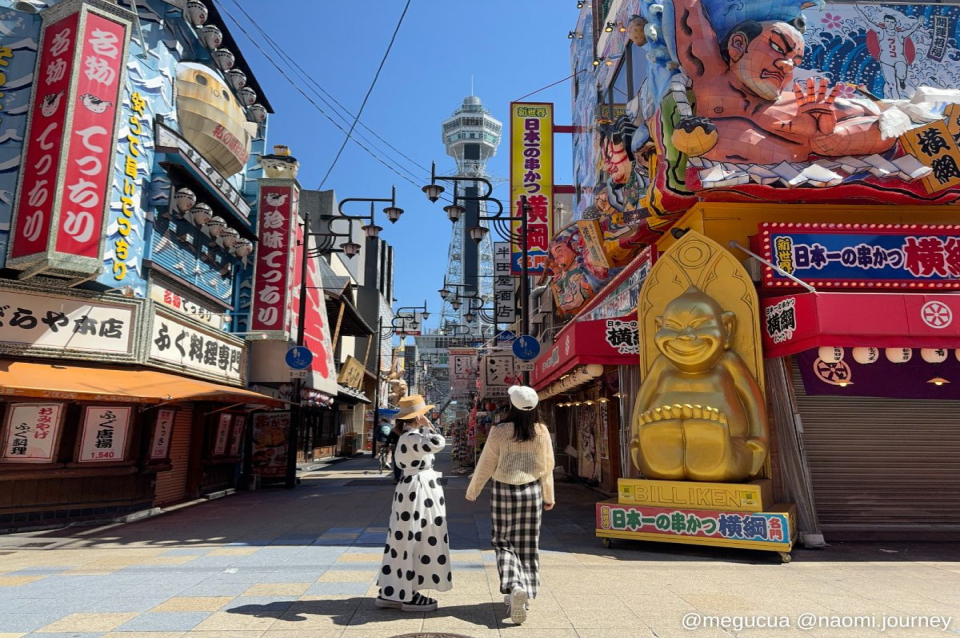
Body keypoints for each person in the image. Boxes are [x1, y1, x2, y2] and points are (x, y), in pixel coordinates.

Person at [466, 385, 555, 625]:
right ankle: (525, 588)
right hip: (532, 490)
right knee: (528, 544)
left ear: (512, 405)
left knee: (503, 542)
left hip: (504, 489)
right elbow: (547, 466)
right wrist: (548, 496)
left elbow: (487, 462)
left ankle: (514, 585)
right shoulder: (541, 431)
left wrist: (473, 490)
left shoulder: (499, 430)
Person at [376, 394, 452, 612]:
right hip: (419, 490)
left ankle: (392, 591)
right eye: (423, 414)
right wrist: (429, 426)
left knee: (403, 537)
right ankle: (408, 594)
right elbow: (438, 443)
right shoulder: (412, 437)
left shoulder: (407, 436)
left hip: (411, 489)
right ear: (417, 416)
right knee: (417, 536)